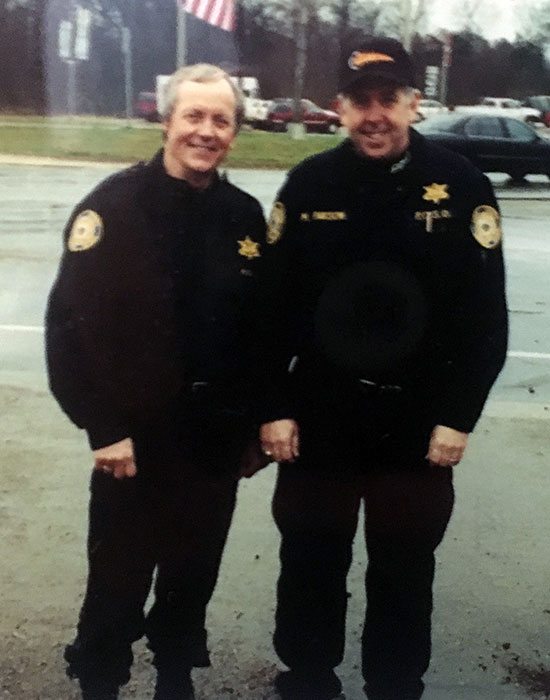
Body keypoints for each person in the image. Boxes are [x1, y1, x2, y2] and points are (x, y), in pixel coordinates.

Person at [257, 37, 508, 700]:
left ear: (413, 102)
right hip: (320, 418)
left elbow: (485, 318)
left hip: (417, 424)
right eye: (360, 100)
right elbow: (269, 311)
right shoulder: (308, 186)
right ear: (340, 107)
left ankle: (395, 685)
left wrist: (459, 417)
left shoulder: (459, 185)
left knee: (403, 567)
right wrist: (273, 406)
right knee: (311, 559)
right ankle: (307, 677)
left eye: (388, 99)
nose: (374, 114)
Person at [45, 64, 267, 700]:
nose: (206, 131)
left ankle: (176, 682)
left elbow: (260, 336)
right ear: (166, 121)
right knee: (115, 587)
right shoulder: (112, 209)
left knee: (190, 583)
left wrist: (253, 424)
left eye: (220, 120)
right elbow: (68, 331)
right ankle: (100, 685)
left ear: (235, 131)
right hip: (132, 448)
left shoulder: (244, 218)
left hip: (211, 446)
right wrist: (104, 428)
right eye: (193, 116)